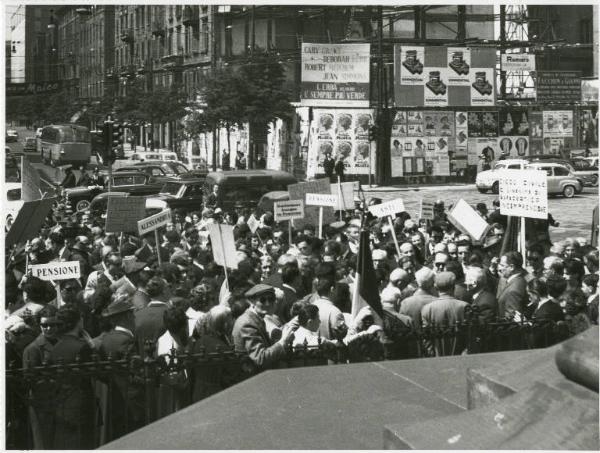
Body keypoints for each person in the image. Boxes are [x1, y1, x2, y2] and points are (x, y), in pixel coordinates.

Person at [232, 284, 297, 373]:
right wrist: (283, 342)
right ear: (252, 301)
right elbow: (260, 358)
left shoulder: (256, 318)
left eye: (271, 299)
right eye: (263, 300)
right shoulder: (247, 323)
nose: (267, 303)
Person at [496, 252, 528, 321]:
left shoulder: (513, 290)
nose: (499, 268)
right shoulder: (519, 280)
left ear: (511, 267)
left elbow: (513, 319)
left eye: (502, 265)